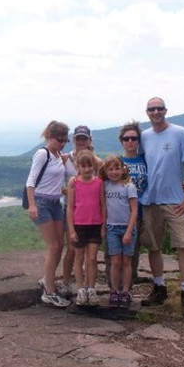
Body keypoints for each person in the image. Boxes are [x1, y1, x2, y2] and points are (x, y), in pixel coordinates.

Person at [139, 97, 184, 319]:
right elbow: (137, 164)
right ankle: (159, 288)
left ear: (166, 110)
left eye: (159, 108)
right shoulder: (144, 136)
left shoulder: (179, 132)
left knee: (183, 245)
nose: (156, 112)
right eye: (151, 109)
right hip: (151, 200)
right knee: (154, 247)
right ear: (147, 113)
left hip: (175, 200)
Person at [26, 120, 73, 307]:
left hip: (56, 203)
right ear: (50, 137)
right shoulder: (42, 154)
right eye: (59, 139)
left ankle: (48, 279)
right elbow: (30, 181)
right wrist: (32, 205)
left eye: (65, 140)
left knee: (59, 245)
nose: (62, 143)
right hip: (42, 202)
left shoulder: (58, 154)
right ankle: (49, 291)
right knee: (54, 245)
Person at [59, 125, 103, 297]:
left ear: (90, 140)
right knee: (72, 248)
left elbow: (103, 182)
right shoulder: (65, 158)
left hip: (91, 212)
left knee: (89, 254)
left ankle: (87, 287)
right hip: (71, 208)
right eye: (78, 138)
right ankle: (66, 282)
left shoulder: (97, 162)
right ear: (74, 140)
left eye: (84, 138)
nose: (81, 141)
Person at [65, 150, 105, 307]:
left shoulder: (99, 183)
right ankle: (81, 289)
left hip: (95, 225)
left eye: (90, 166)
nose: (87, 169)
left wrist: (103, 226)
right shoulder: (74, 184)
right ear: (78, 167)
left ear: (93, 166)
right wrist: (71, 230)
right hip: (79, 225)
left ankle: (91, 288)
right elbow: (69, 208)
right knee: (79, 258)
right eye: (83, 166)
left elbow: (103, 205)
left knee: (92, 258)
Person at [101, 155, 139, 308]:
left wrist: (129, 231)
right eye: (110, 169)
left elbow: (134, 210)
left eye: (117, 168)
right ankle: (114, 291)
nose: (114, 172)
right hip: (112, 228)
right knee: (115, 261)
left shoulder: (129, 186)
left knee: (127, 261)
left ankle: (125, 291)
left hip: (127, 228)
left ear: (123, 169)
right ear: (106, 171)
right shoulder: (105, 185)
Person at [117, 122, 147, 285]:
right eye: (126, 138)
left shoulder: (146, 160)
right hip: (119, 215)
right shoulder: (116, 163)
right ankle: (115, 286)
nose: (130, 142)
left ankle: (128, 286)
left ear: (138, 140)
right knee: (115, 253)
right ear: (121, 141)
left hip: (141, 213)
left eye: (133, 138)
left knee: (133, 252)